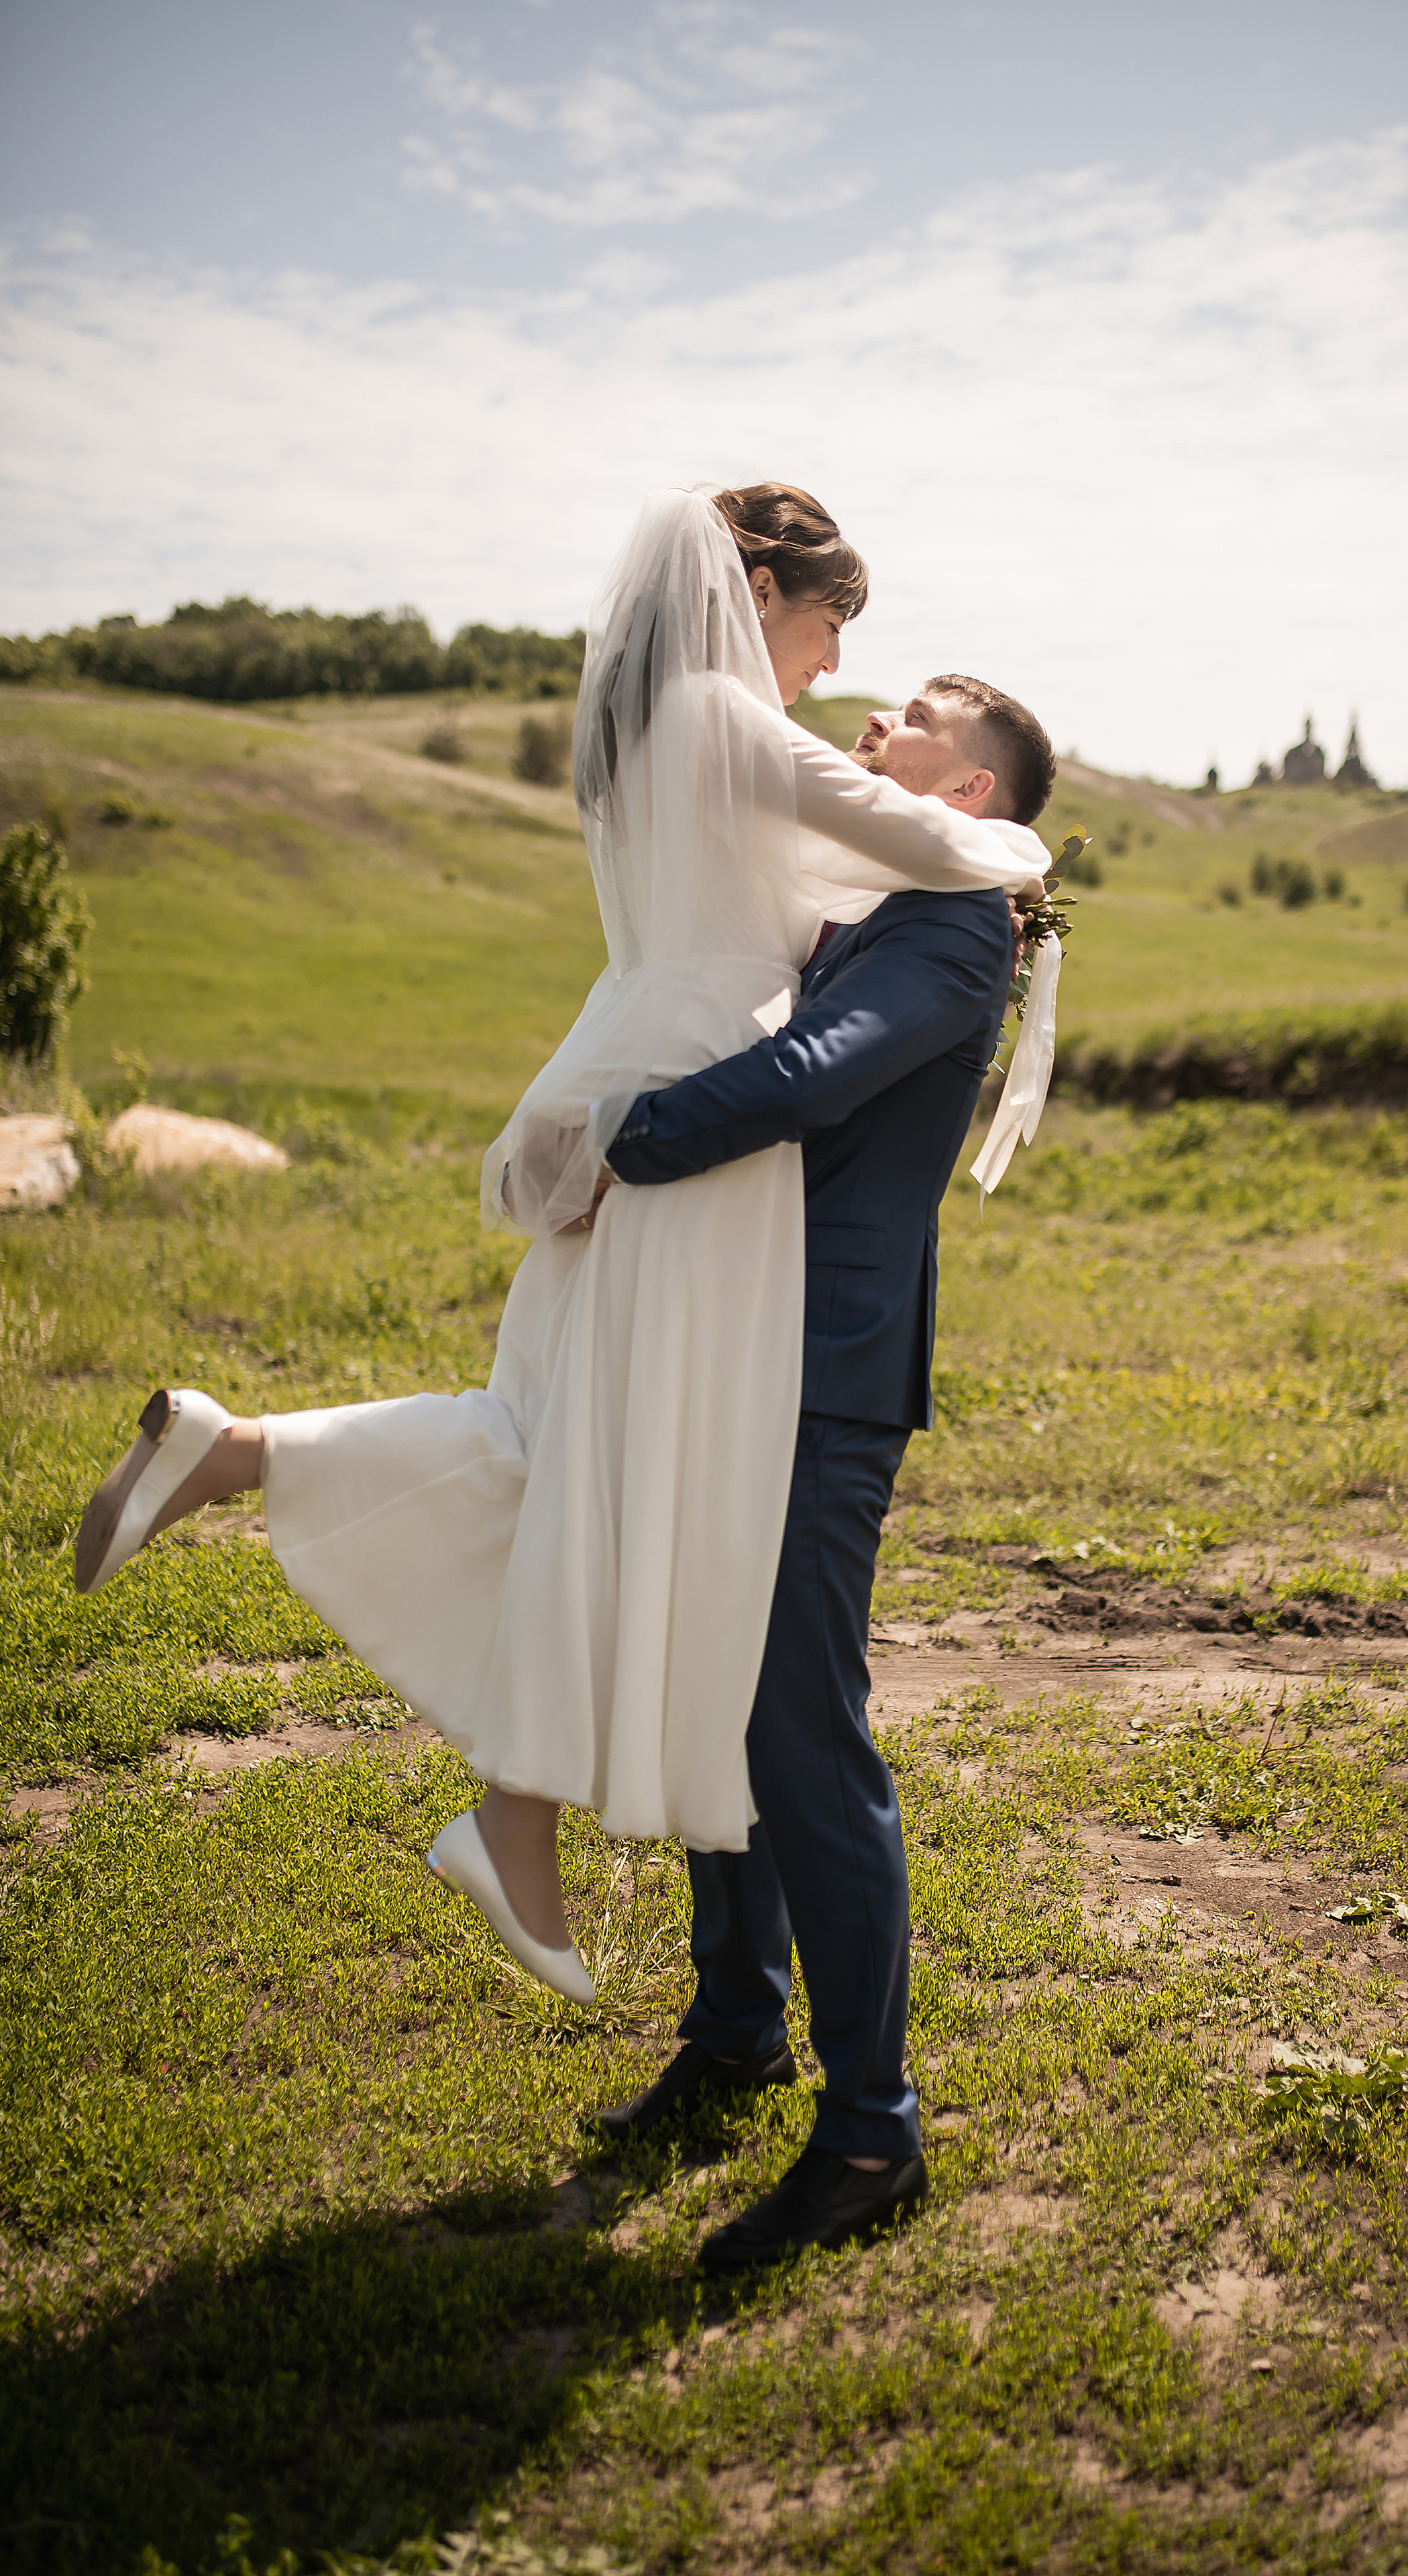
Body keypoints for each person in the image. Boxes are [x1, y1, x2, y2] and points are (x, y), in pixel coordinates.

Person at [72, 486, 1051, 2015]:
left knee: (559, 1442)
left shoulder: (653, 728)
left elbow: (851, 882)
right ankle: (524, 1816)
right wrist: (1019, 846)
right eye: (823, 627)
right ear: (752, 596)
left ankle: (270, 1486)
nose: (830, 672)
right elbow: (932, 841)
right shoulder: (729, 714)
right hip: (687, 1107)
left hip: (638, 1058)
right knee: (614, 1471)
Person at [589, 669, 1059, 2271]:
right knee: (725, 1694)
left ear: (974, 791)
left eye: (916, 716)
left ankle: (871, 2129)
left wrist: (624, 1137)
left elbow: (804, 1078)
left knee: (801, 1727)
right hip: (751, 1342)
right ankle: (735, 2030)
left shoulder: (952, 931)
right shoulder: (882, 899)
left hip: (823, 1369)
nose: (876, 723)